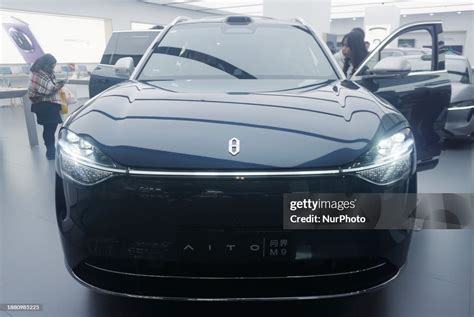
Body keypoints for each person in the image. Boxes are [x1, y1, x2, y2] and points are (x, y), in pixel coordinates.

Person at [28, 54, 65, 160]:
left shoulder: (40, 72)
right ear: (46, 64)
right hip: (45, 105)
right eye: (52, 66)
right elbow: (50, 89)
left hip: (46, 105)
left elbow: (48, 86)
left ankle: (51, 149)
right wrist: (61, 84)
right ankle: (50, 151)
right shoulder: (39, 74)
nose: (53, 68)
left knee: (49, 128)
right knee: (49, 128)